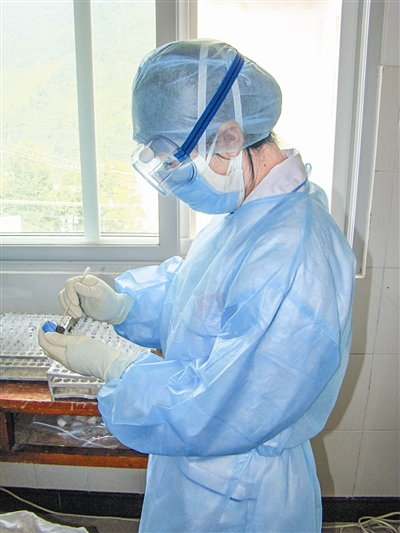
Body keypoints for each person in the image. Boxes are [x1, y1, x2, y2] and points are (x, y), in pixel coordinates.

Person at [39, 39, 356, 533]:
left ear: (229, 138)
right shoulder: (250, 211)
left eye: (175, 160)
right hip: (198, 479)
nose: (173, 180)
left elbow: (219, 406)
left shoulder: (295, 254)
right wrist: (123, 305)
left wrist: (116, 368)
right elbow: (200, 299)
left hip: (241, 498)